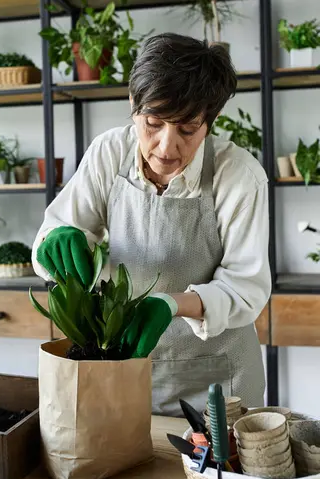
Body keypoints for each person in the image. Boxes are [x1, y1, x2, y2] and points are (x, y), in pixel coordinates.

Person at [32, 33, 271, 416]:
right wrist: (57, 240)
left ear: (210, 120)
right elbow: (53, 235)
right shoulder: (109, 153)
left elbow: (246, 290)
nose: (165, 146)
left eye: (187, 130)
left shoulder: (239, 176)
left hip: (219, 383)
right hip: (127, 371)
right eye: (153, 123)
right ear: (133, 105)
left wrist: (171, 304)